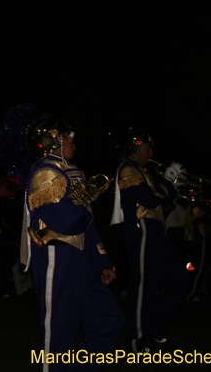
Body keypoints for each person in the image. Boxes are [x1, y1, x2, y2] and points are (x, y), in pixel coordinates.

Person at [22, 115, 124, 372]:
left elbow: (86, 224)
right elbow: (68, 220)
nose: (73, 141)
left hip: (81, 260)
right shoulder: (45, 170)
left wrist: (101, 262)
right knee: (59, 334)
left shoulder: (74, 172)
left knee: (110, 321)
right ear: (54, 140)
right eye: (69, 136)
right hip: (59, 257)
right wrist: (86, 208)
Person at [111, 133, 186, 354]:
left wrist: (171, 187)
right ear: (135, 147)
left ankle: (156, 331)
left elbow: (158, 199)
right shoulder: (128, 169)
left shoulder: (141, 170)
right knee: (146, 287)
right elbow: (149, 198)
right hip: (142, 230)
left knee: (177, 279)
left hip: (154, 230)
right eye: (147, 148)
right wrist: (168, 182)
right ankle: (137, 341)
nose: (151, 154)